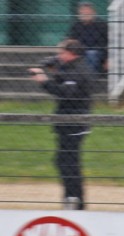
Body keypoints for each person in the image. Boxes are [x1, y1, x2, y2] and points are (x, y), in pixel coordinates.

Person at [30, 39, 94, 211]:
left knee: (68, 162)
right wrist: (55, 69)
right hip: (67, 122)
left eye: (61, 52)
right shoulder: (72, 67)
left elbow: (65, 92)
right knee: (64, 161)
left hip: (75, 123)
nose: (58, 56)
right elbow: (63, 81)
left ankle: (75, 200)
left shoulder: (78, 70)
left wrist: (43, 81)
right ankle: (72, 198)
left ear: (71, 54)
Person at [67, 2, 108, 74]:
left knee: (91, 53)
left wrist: (108, 59)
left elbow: (109, 43)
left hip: (98, 52)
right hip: (80, 51)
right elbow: (70, 39)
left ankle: (90, 77)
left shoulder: (102, 25)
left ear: (94, 13)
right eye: (82, 11)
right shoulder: (76, 25)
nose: (84, 13)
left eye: (87, 11)